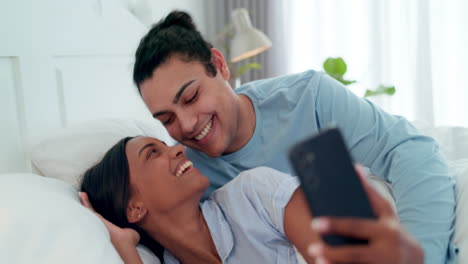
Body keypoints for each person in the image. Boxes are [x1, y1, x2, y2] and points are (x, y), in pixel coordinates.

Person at [132, 11, 456, 263]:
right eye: (167, 119)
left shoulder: (308, 98)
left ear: (219, 65)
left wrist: (420, 255)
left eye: (190, 97)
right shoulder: (185, 176)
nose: (186, 125)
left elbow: (410, 150)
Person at [79, 136, 423, 264]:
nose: (178, 148)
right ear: (134, 208)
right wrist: (126, 247)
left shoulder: (251, 193)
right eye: (153, 152)